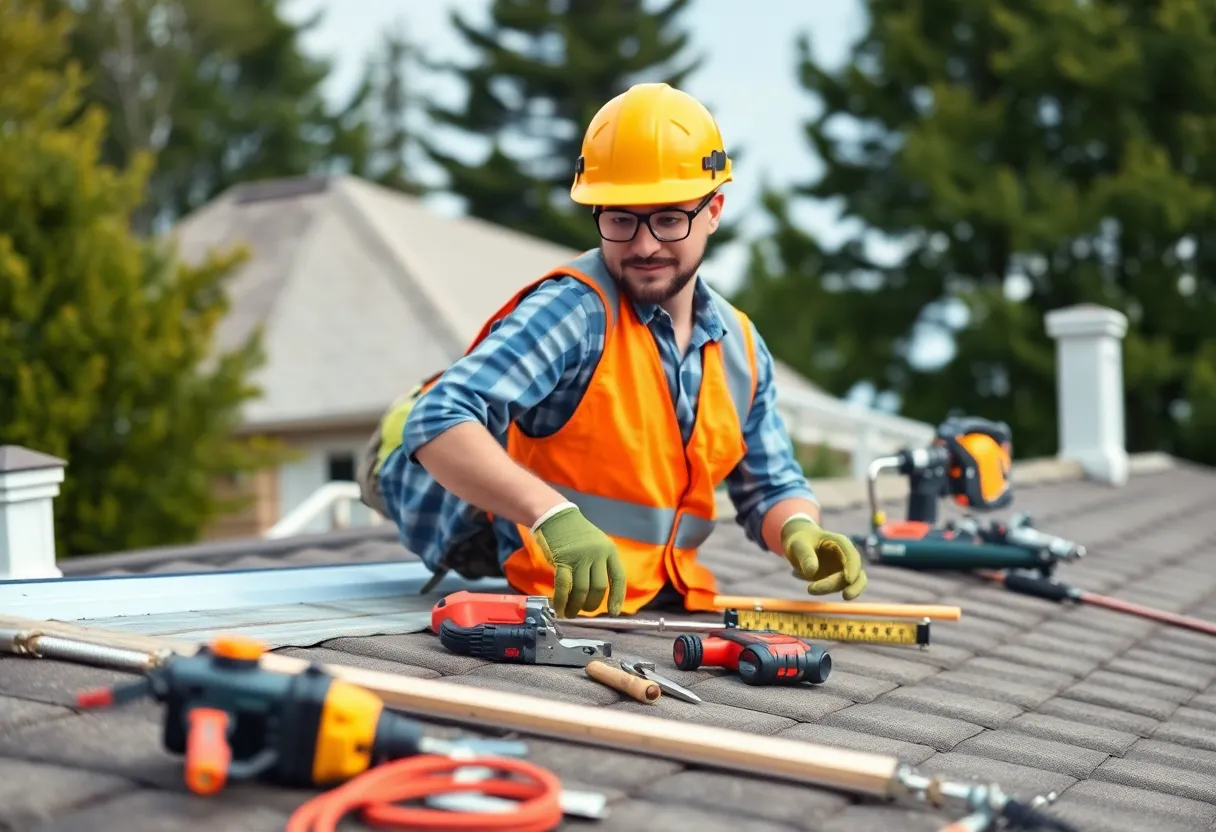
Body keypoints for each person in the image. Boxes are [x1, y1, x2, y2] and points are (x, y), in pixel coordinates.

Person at [356, 82, 868, 618]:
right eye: (621, 219)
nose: (644, 245)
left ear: (714, 210)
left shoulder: (739, 348)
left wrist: (799, 529)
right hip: (427, 480)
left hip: (637, 584)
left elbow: (770, 483)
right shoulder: (574, 312)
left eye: (668, 219)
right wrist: (553, 516)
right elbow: (437, 419)